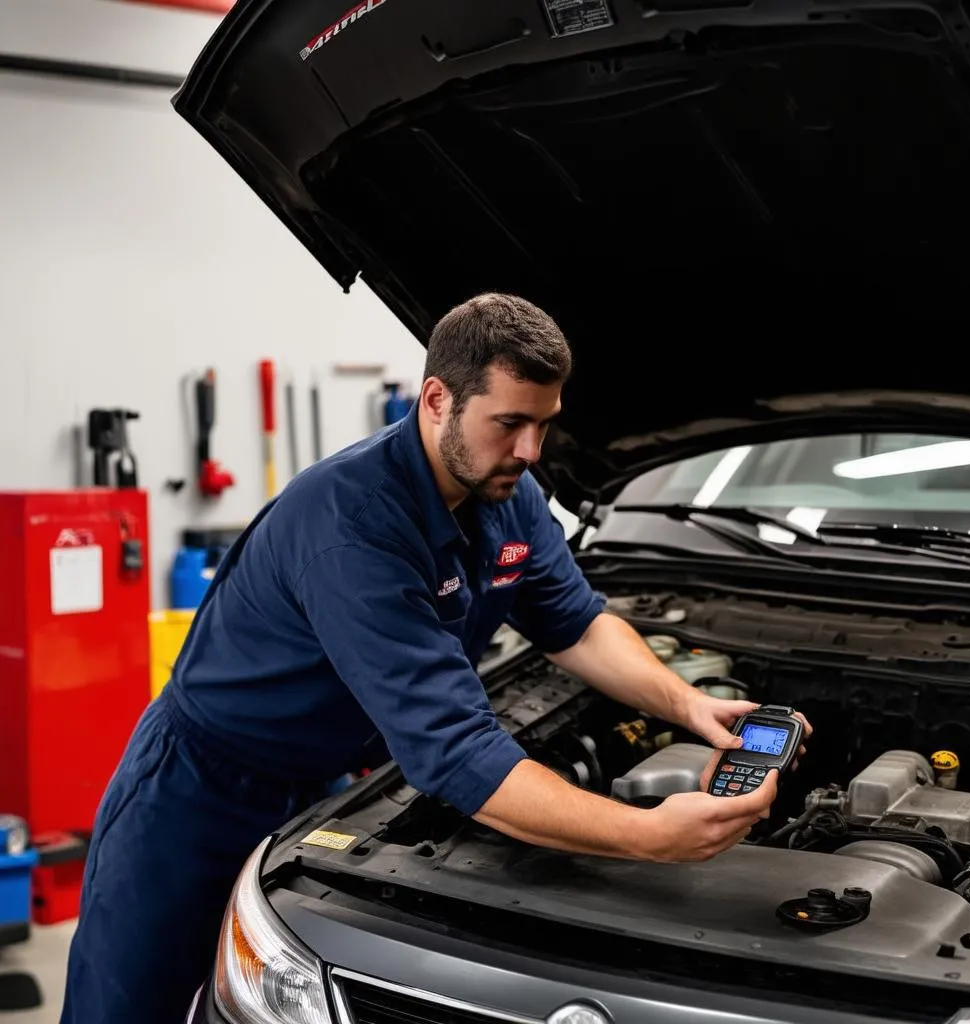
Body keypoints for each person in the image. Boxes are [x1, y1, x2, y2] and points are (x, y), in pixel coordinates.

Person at [60, 292, 810, 1024]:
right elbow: (457, 754)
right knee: (131, 1006)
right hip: (200, 794)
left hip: (331, 780)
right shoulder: (351, 526)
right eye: (509, 423)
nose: (529, 450)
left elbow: (576, 624)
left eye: (544, 425)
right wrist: (648, 836)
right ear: (436, 400)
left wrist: (687, 703)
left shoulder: (505, 489)